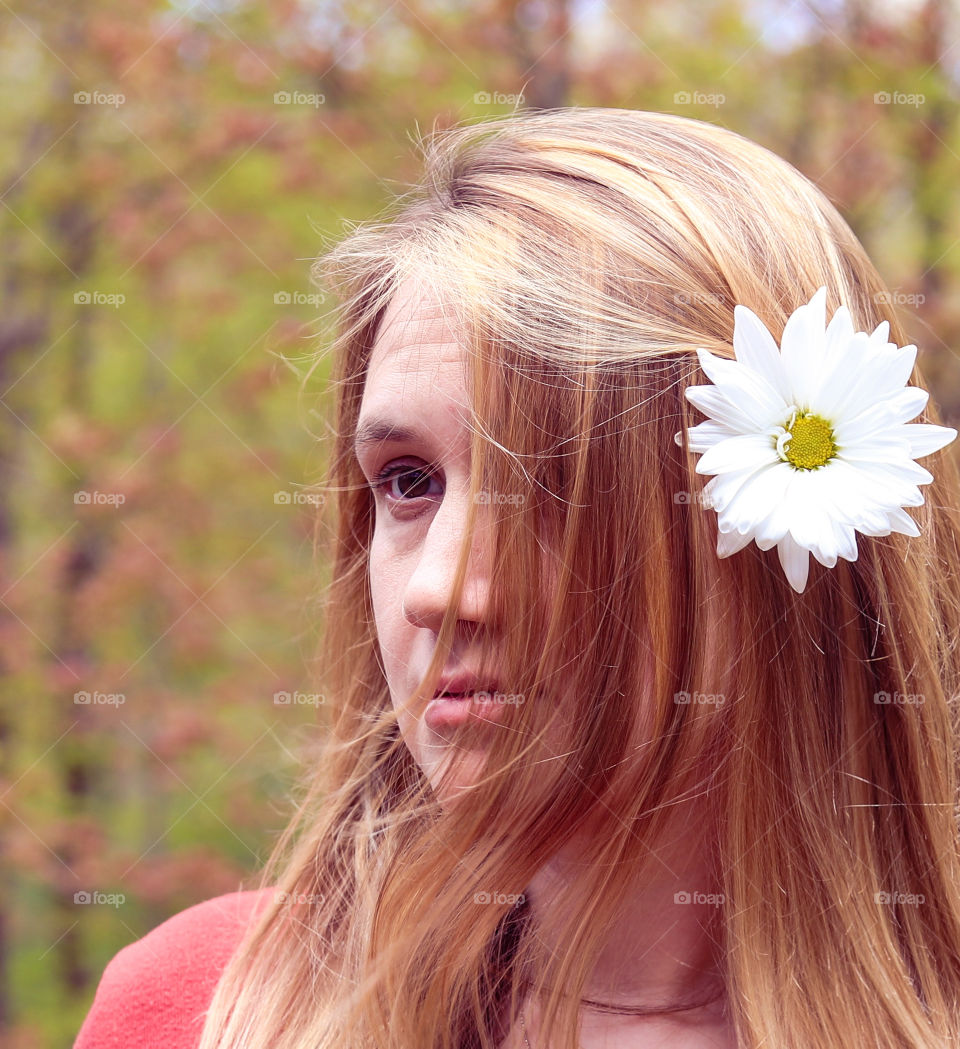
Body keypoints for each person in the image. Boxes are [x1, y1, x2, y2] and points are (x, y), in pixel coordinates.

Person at [74, 107, 960, 1049]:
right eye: (407, 482)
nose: (438, 590)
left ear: (793, 514)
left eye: (557, 480)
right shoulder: (201, 1009)